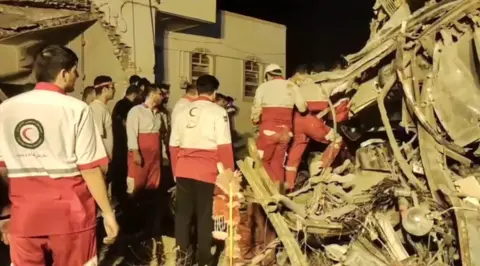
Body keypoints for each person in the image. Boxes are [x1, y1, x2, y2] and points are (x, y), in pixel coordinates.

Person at [0, 45, 118, 265]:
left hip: (25, 216)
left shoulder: (6, 108)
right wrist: (108, 212)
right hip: (71, 216)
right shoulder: (77, 109)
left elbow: (3, 168)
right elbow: (90, 168)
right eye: (75, 71)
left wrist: (7, 216)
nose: (78, 76)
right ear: (64, 73)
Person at [170, 74, 234, 265]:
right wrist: (228, 177)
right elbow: (224, 147)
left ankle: (182, 257)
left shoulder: (181, 111)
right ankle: (204, 258)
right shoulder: (218, 112)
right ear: (214, 93)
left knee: (182, 217)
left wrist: (175, 173)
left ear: (197, 90)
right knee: (205, 217)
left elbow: (173, 146)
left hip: (182, 170)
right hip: (207, 172)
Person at [285, 67, 349, 190]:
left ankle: (289, 187)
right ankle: (320, 167)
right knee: (337, 139)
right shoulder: (317, 82)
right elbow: (341, 84)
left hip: (295, 122)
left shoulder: (290, 86)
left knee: (293, 159)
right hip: (310, 120)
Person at [251, 63, 307, 187]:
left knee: (261, 160)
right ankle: (280, 193)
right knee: (278, 164)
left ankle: (273, 187)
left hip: (268, 131)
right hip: (286, 133)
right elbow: (303, 108)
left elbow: (256, 109)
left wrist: (255, 120)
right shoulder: (292, 86)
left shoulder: (263, 87)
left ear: (268, 75)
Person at [126, 84, 163, 195]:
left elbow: (161, 135)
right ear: (152, 95)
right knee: (136, 183)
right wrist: (136, 152)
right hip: (141, 153)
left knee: (153, 184)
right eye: (160, 94)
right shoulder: (136, 111)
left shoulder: (158, 114)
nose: (162, 97)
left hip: (155, 155)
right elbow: (131, 133)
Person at [110, 85, 141, 207]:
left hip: (120, 146)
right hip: (122, 146)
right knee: (121, 175)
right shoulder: (126, 106)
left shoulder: (120, 105)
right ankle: (120, 202)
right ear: (134, 95)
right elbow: (125, 124)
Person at [90, 75, 115, 160]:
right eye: (112, 88)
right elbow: (97, 136)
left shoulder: (102, 107)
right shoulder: (97, 108)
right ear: (104, 90)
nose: (114, 90)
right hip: (101, 158)